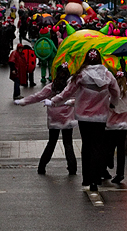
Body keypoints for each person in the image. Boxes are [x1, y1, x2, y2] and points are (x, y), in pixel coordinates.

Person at [49, 48, 119, 192]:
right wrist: (113, 103)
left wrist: (54, 101)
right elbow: (116, 91)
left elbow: (67, 92)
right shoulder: (107, 74)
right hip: (101, 116)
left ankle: (87, 178)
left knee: (86, 145)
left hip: (84, 117)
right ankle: (96, 178)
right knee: (97, 146)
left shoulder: (81, 75)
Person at [15, 62, 77, 175]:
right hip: (68, 119)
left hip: (54, 118)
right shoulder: (70, 88)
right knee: (68, 143)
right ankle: (72, 168)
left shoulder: (51, 87)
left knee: (51, 143)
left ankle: (42, 167)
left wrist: (23, 101)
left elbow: (37, 96)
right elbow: (78, 99)